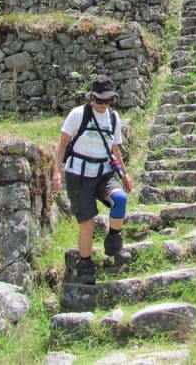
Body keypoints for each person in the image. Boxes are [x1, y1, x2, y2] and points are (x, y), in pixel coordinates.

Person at [53, 75, 133, 284]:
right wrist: (57, 171)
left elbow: (114, 149)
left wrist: (124, 174)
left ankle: (114, 237)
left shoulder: (113, 118)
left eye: (107, 101)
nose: (103, 104)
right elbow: (62, 144)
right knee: (87, 223)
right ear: (92, 97)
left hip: (104, 172)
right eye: (99, 100)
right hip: (78, 175)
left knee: (120, 199)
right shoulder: (78, 114)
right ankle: (85, 264)